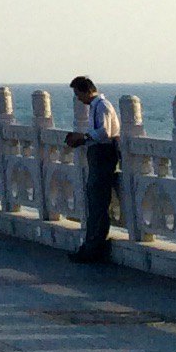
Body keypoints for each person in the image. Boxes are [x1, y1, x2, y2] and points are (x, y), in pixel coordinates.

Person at [66, 75, 122, 263]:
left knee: (98, 201)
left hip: (103, 156)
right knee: (94, 200)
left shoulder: (102, 106)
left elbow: (105, 133)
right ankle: (90, 245)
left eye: (78, 94)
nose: (78, 99)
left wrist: (83, 137)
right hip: (98, 155)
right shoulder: (96, 107)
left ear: (86, 91)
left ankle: (94, 247)